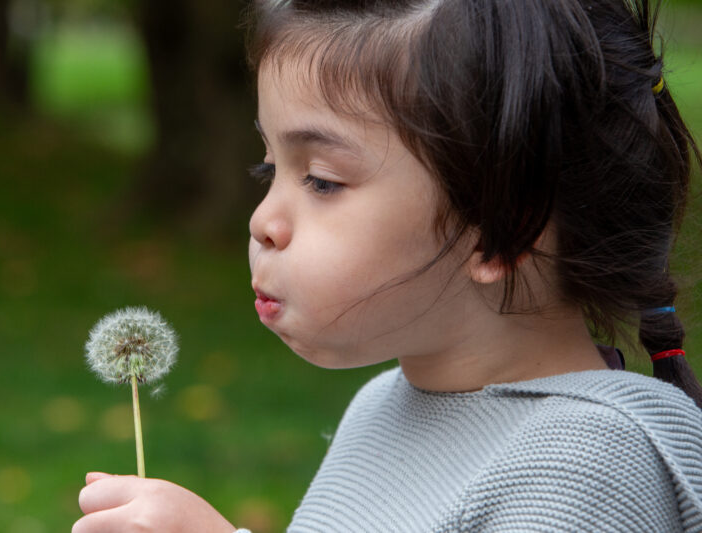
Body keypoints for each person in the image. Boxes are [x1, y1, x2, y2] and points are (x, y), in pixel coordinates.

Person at [72, 0, 702, 531]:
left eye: (319, 181)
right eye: (270, 168)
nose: (262, 220)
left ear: (501, 232)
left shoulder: (589, 464)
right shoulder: (384, 405)